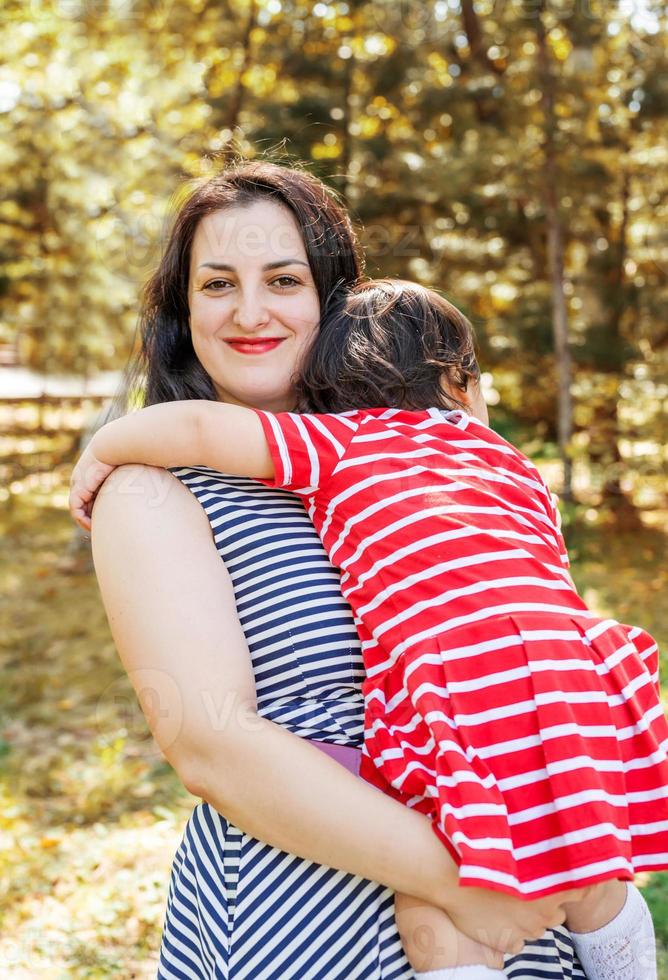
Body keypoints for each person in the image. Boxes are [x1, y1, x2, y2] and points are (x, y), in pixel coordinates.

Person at [80, 161, 589, 979]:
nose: (250, 312)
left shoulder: (417, 460)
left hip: (514, 885)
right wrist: (463, 885)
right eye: (217, 284)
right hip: (314, 910)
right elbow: (212, 745)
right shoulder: (151, 488)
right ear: (184, 312)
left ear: (334, 298)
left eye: (283, 278)